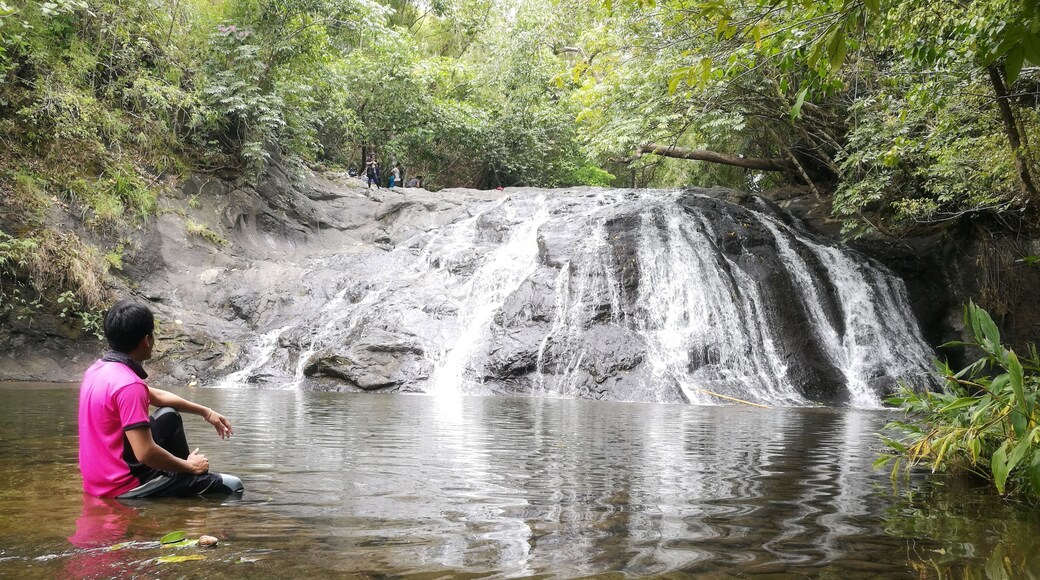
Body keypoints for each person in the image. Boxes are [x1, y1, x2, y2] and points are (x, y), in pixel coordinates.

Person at [78, 300, 243, 498]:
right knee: (233, 486)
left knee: (168, 416)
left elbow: (158, 396)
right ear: (147, 340)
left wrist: (206, 411)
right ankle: (186, 480)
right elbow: (145, 453)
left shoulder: (99, 370)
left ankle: (181, 480)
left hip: (98, 480)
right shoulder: (129, 385)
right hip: (123, 486)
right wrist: (189, 466)